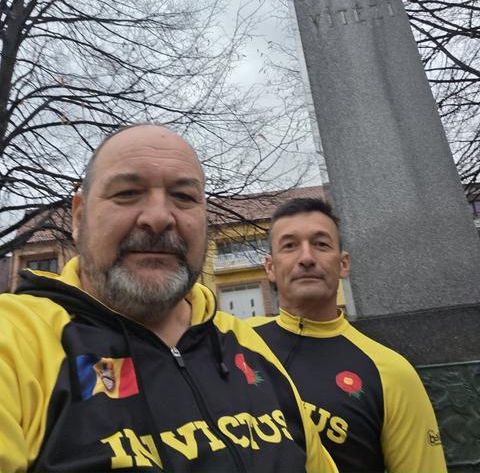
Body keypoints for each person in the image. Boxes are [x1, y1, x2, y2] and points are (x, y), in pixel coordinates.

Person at [0, 125, 337, 473]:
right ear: (79, 217)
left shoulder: (248, 344)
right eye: (128, 193)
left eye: (184, 197)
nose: (159, 218)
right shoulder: (16, 341)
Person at [248, 197, 448, 473]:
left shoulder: (392, 372)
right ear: (270, 267)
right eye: (290, 246)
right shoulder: (234, 342)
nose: (306, 258)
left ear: (343, 264)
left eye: (321, 244)